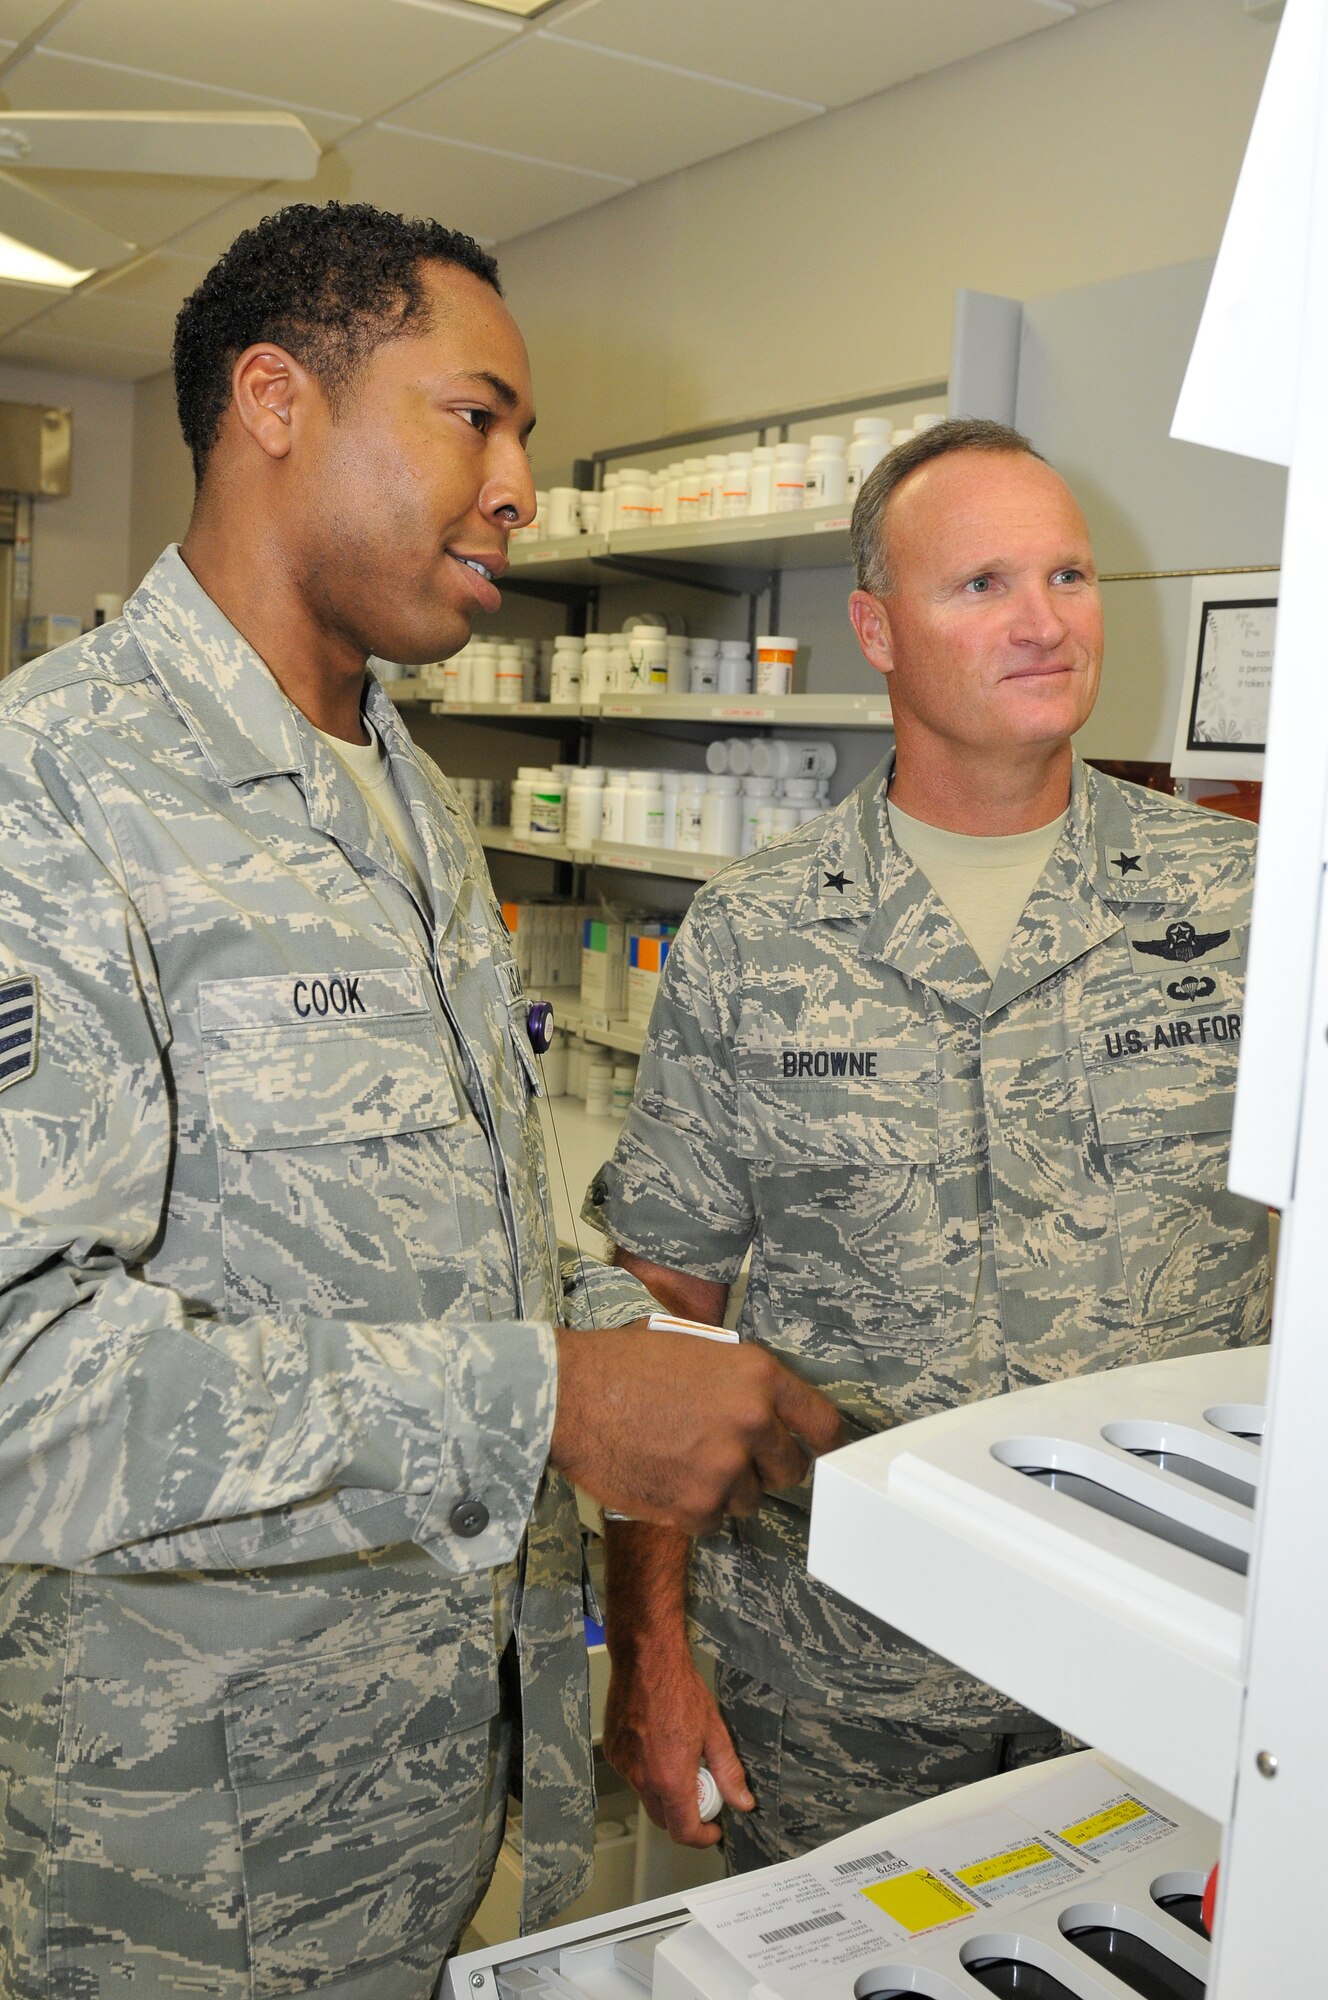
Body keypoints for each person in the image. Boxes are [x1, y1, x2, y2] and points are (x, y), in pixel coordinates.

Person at [0, 202, 841, 1998]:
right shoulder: (49, 798)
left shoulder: (403, 792)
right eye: (480, 415)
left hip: (425, 1813)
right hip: (180, 1880)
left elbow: (468, 1244)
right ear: (275, 398)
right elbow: (23, 1382)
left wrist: (655, 1355)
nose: (523, 483)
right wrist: (543, 1404)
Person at [586, 416, 1270, 1871]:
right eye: (983, 586)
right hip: (835, 1685)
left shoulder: (1245, 909)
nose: (1044, 622)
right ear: (876, 630)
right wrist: (652, 1652)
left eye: (1070, 576)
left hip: (1164, 1660)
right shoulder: (756, 938)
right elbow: (667, 1318)